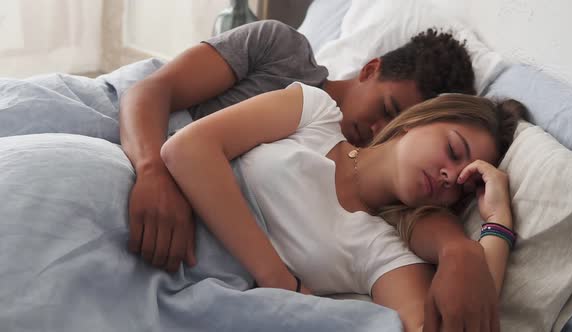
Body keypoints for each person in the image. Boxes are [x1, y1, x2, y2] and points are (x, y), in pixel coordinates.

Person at [119, 19, 494, 330]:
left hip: (177, 258)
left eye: (460, 185)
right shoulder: (301, 85)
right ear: (370, 70)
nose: (381, 127)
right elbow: (156, 96)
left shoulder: (381, 242)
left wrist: (489, 233)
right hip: (134, 144)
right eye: (387, 108)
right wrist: (153, 172)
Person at [159, 83, 523, 331]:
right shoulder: (316, 113)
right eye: (454, 151)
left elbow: (447, 323)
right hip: (147, 206)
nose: (449, 176)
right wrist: (276, 277)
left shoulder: (384, 250)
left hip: (175, 282)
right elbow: (187, 149)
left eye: (462, 185)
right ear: (418, 120)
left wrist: (497, 222)